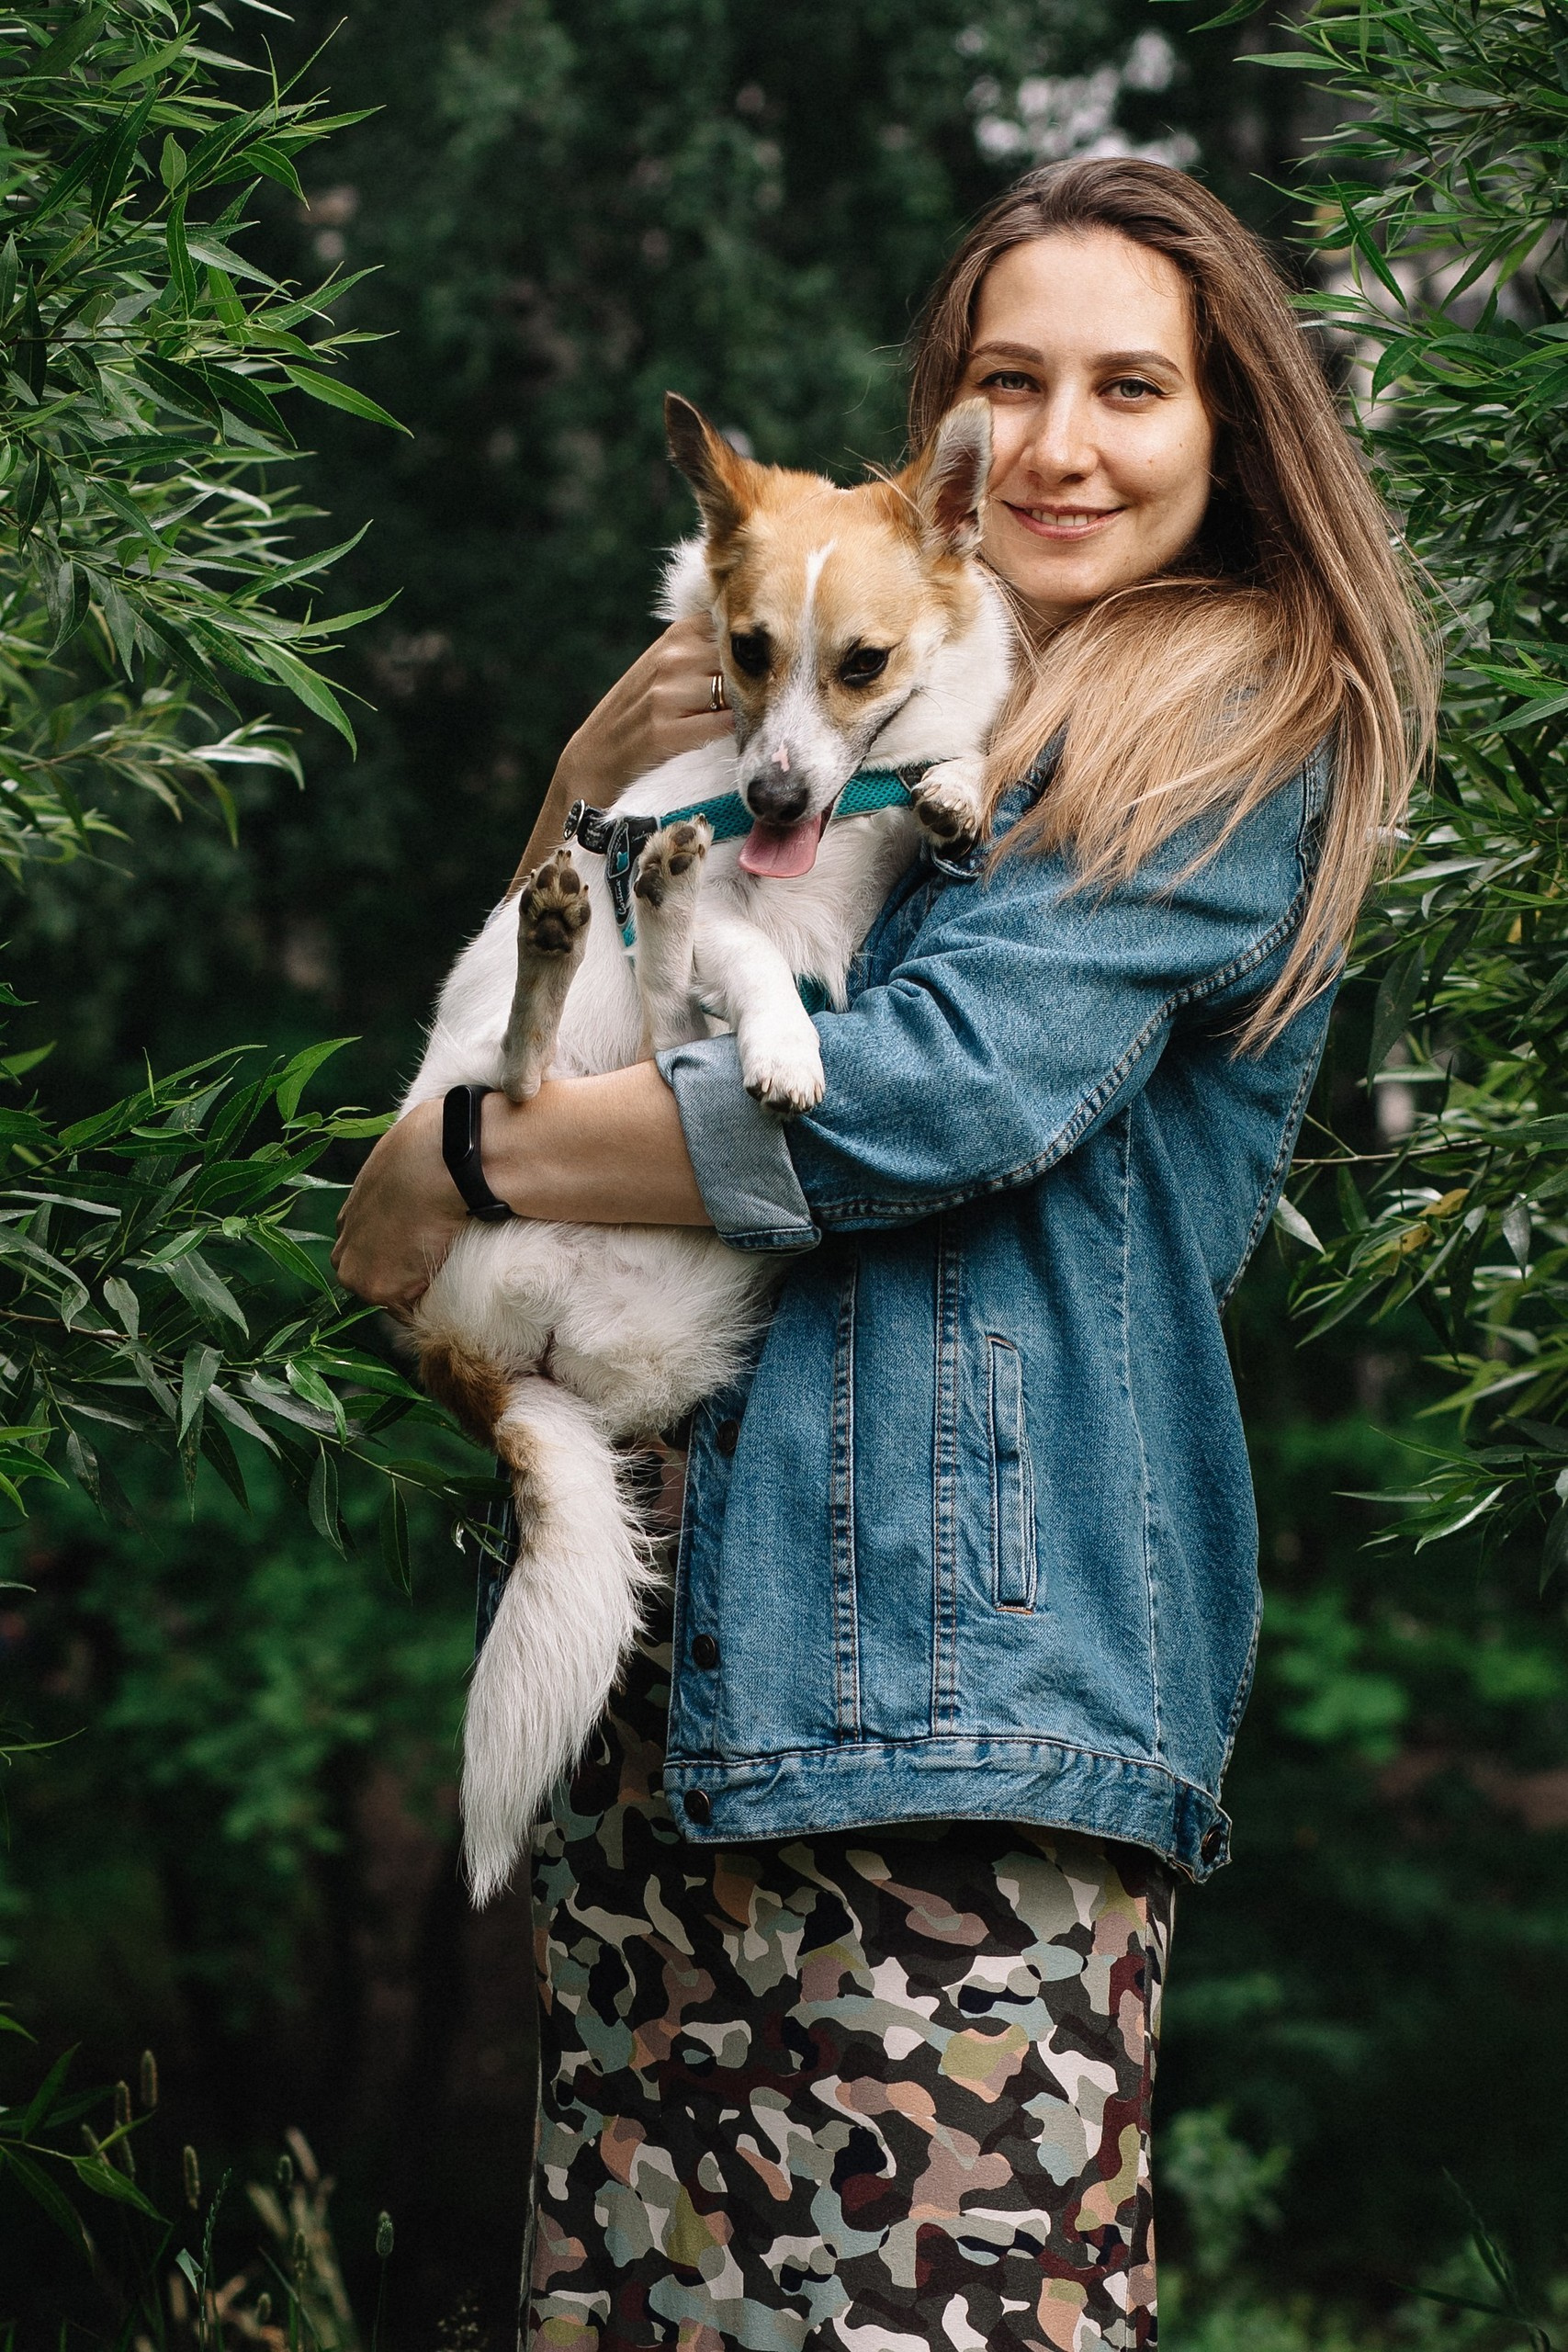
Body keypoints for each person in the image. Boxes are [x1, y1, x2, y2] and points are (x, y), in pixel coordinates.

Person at [334, 158, 1434, 2352]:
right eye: (1004, 379)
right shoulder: (893, 686)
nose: (1054, 439)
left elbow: (926, 1092)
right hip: (695, 1673)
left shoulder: (1217, 721)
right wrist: (575, 779)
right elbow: (630, 964)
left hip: (964, 1712)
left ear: (1232, 428)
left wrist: (458, 1155)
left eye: (1129, 385)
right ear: (938, 424)